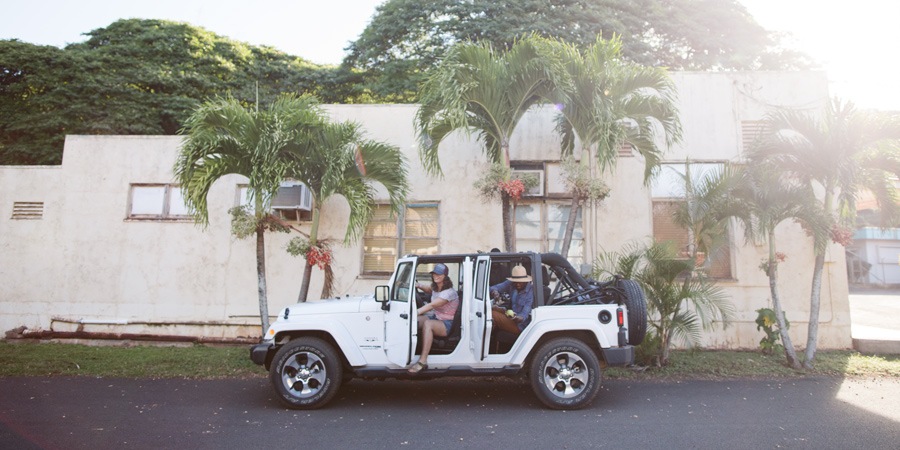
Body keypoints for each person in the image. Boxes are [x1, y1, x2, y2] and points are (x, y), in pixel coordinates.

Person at [408, 263, 459, 374]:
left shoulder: (449, 293)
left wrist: (413, 312)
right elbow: (430, 290)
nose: (436, 276)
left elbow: (431, 305)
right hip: (437, 318)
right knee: (412, 322)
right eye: (434, 273)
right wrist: (418, 285)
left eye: (439, 274)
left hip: (447, 324)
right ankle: (406, 352)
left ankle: (422, 361)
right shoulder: (437, 287)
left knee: (428, 324)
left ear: (445, 276)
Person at [489, 265, 534, 335]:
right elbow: (494, 287)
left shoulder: (530, 292)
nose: (517, 284)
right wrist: (495, 292)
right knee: (491, 309)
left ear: (525, 281)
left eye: (520, 282)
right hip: (511, 314)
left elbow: (524, 315)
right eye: (515, 281)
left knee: (492, 314)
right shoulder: (511, 284)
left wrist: (516, 318)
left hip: (520, 325)